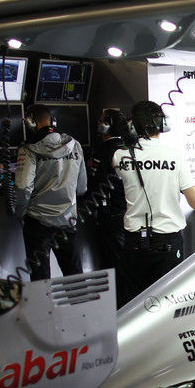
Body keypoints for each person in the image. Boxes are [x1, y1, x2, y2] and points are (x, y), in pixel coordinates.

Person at [112, 100, 195, 306]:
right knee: (167, 305)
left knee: (131, 306)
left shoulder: (120, 157)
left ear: (132, 127)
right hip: (168, 243)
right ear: (163, 124)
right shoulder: (174, 156)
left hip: (134, 243)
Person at [14, 104, 87, 281]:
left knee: (40, 280)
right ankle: (81, 308)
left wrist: (19, 213)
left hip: (38, 223)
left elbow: (23, 187)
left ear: (30, 123)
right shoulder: (74, 145)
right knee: (74, 275)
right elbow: (82, 187)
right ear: (53, 121)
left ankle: (43, 309)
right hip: (68, 220)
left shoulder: (29, 150)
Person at [87, 108, 129, 271]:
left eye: (101, 120)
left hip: (111, 216)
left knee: (112, 263)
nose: (98, 123)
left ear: (107, 125)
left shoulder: (106, 150)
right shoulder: (127, 149)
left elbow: (94, 182)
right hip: (127, 213)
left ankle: (119, 297)